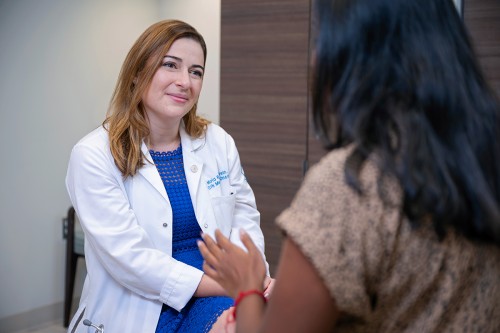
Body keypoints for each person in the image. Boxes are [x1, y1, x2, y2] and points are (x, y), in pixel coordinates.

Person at [198, 0, 500, 332]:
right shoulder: (485, 161)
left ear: (349, 57)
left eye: (321, 40)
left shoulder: (349, 185)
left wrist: (247, 290)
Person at [65, 19, 274, 333]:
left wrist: (252, 272)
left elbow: (245, 218)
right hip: (144, 305)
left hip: (219, 290)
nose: (185, 81)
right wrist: (237, 284)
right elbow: (130, 259)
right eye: (170, 65)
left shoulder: (217, 142)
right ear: (137, 74)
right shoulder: (93, 154)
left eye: (196, 71)